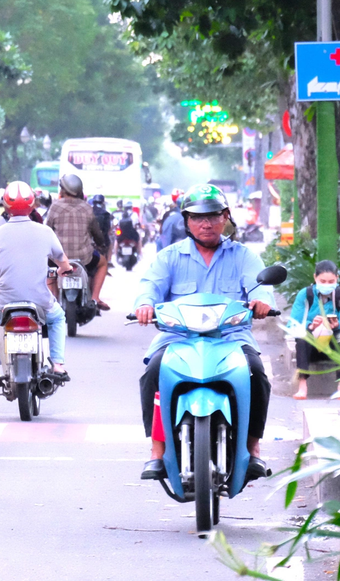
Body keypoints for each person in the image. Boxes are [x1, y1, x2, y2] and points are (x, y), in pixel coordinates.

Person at [134, 184, 276, 481]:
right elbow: (150, 285)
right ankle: (156, 452)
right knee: (153, 372)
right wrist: (145, 304)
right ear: (186, 221)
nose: (206, 223)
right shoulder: (170, 256)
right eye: (197, 217)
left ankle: (254, 449)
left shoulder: (243, 256)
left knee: (256, 372)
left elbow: (260, 286)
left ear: (225, 217)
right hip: (177, 338)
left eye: (213, 216)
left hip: (231, 338)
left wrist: (263, 302)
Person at [0, 182, 75, 379]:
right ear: (33, 206)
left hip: (3, 302)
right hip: (40, 302)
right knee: (58, 318)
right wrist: (63, 270)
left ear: (5, 208)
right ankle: (57, 364)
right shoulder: (45, 232)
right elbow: (63, 261)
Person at [288, 260, 340, 400]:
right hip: (311, 348)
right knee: (302, 336)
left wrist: (337, 325)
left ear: (337, 278)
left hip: (333, 348)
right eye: (323, 281)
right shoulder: (305, 295)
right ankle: (302, 385)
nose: (327, 285)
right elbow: (292, 325)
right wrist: (311, 326)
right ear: (315, 278)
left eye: (331, 281)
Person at [46, 174, 110, 311]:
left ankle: (53, 302)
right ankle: (95, 298)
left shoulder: (55, 207)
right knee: (103, 262)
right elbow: (96, 233)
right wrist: (101, 244)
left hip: (58, 258)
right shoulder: (87, 208)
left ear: (63, 190)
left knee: (49, 273)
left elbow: (47, 231)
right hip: (84, 258)